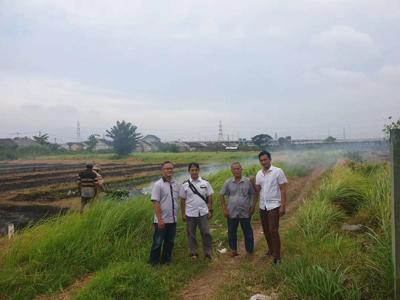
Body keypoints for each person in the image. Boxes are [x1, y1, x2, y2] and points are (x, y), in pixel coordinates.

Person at [251, 150, 287, 266]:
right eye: (261, 160)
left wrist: (283, 206)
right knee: (266, 231)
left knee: (273, 230)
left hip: (274, 205)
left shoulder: (277, 171)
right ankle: (271, 250)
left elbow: (283, 189)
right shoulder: (259, 174)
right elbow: (257, 191)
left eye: (265, 159)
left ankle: (277, 257)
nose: (263, 162)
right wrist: (252, 182)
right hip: (263, 206)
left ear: (270, 159)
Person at [220, 162, 256, 257]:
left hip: (245, 211)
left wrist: (252, 207)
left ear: (241, 169)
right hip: (231, 212)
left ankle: (249, 251)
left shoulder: (247, 181)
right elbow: (221, 195)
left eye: (238, 168)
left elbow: (254, 194)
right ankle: (233, 250)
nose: (236, 171)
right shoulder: (228, 182)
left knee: (247, 231)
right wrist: (224, 209)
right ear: (231, 171)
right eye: (234, 169)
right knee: (231, 232)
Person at [180, 162, 214, 261]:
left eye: (196, 170)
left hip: (203, 212)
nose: (194, 172)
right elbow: (182, 200)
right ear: (189, 171)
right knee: (191, 234)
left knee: (206, 233)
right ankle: (193, 253)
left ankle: (208, 253)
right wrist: (183, 213)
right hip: (190, 213)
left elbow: (210, 196)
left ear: (198, 170)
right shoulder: (185, 185)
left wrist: (210, 210)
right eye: (192, 170)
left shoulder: (205, 183)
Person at [149, 161, 180, 266]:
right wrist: (160, 219)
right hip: (161, 220)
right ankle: (153, 263)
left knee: (170, 242)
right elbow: (155, 202)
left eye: (171, 168)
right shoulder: (158, 185)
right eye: (167, 168)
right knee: (158, 242)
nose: (169, 170)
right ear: (162, 170)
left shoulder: (175, 184)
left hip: (173, 219)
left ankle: (166, 261)